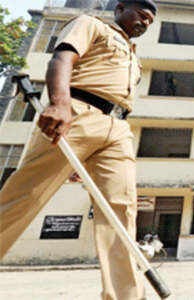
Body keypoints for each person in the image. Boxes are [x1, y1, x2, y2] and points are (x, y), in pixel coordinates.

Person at [0, 1, 156, 299]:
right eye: (141, 15)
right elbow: (61, 59)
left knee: (121, 211)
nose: (145, 23)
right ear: (121, 8)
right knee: (25, 196)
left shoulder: (134, 57)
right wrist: (59, 103)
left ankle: (126, 296)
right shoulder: (91, 24)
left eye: (150, 21)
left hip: (119, 128)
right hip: (76, 114)